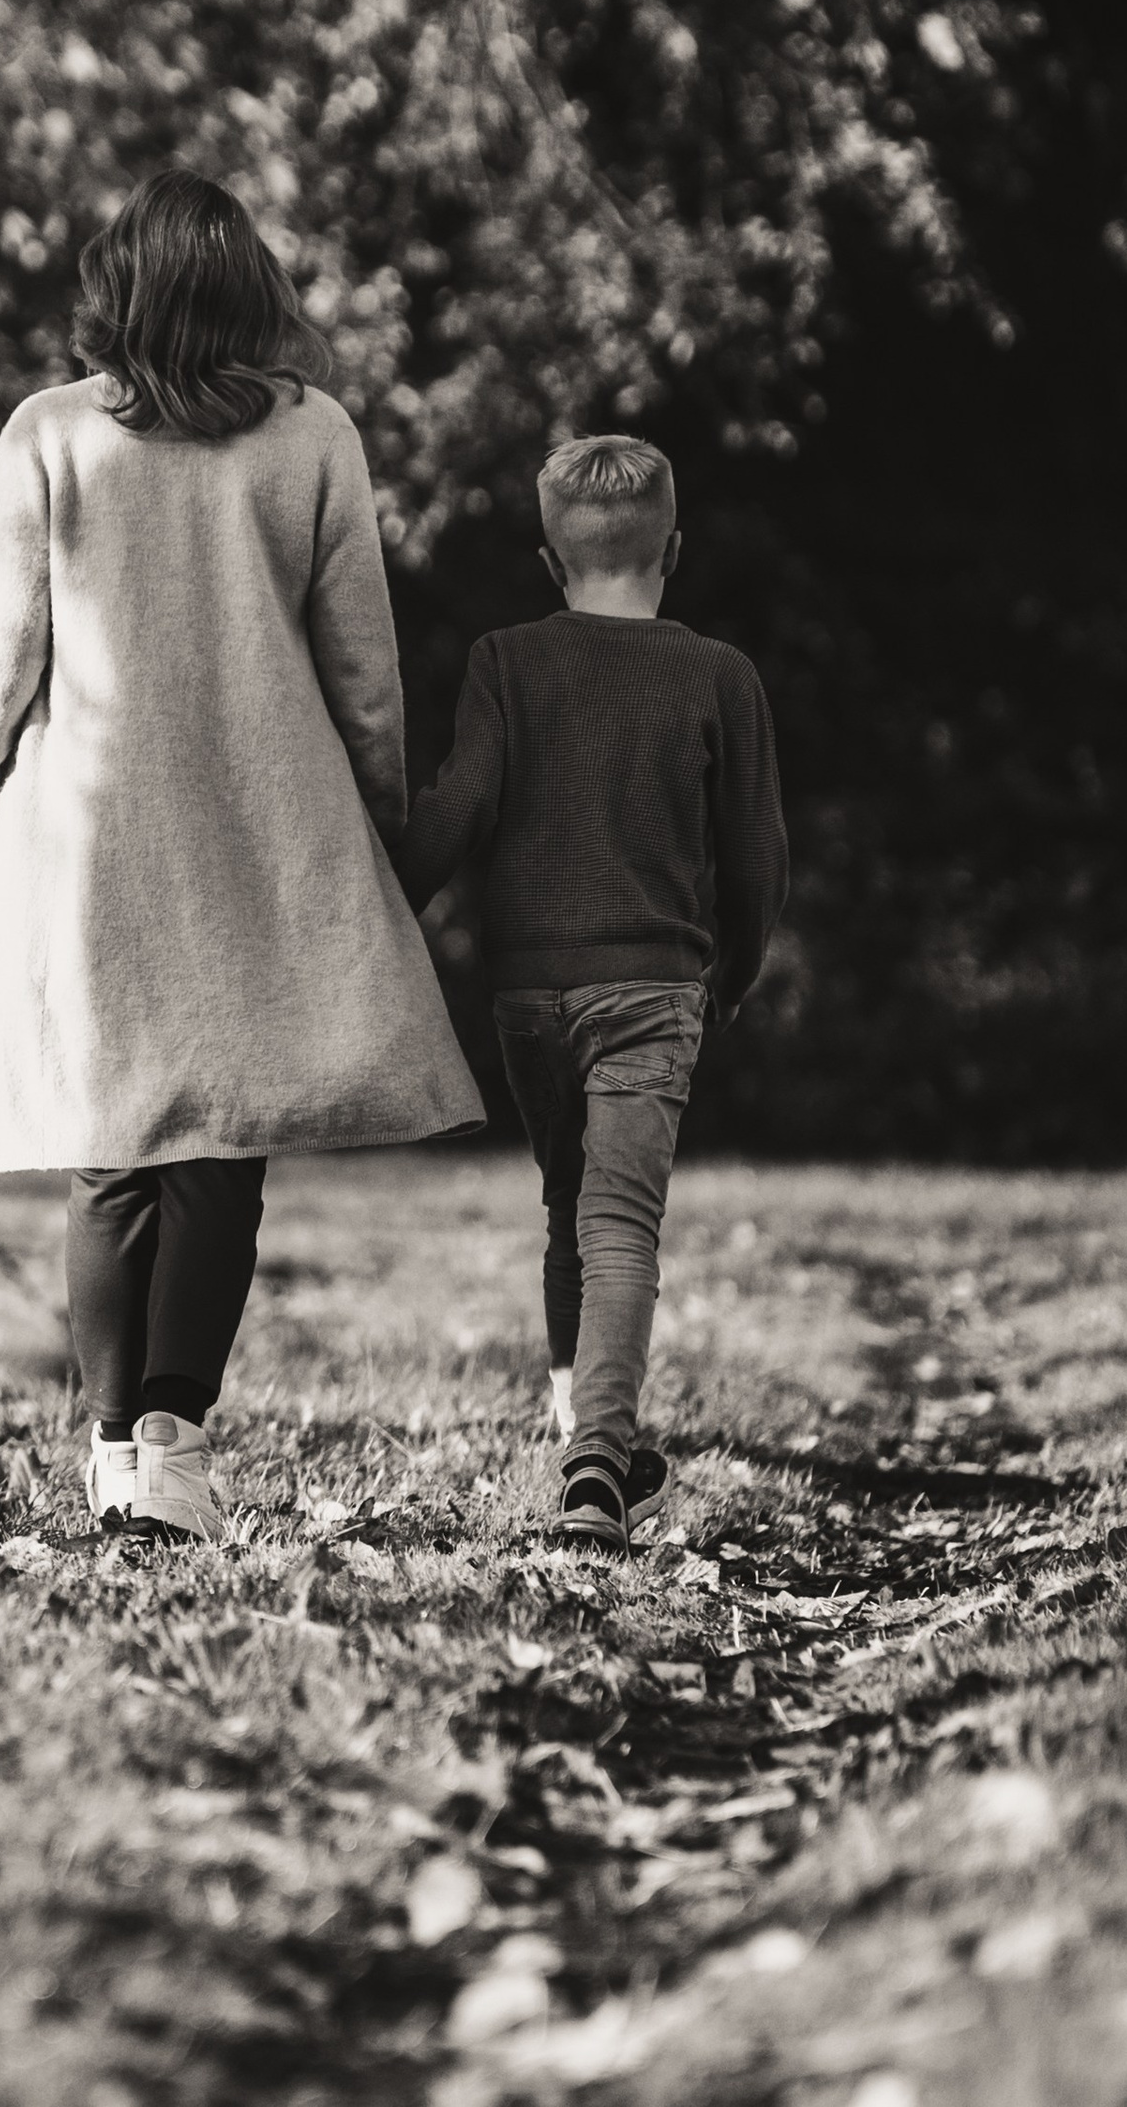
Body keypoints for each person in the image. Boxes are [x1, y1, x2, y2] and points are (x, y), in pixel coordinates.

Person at [0, 169, 484, 1543]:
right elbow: (362, 652)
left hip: (91, 831)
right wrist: (384, 806)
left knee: (109, 1152)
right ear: (251, 293)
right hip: (256, 818)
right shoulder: (313, 436)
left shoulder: (49, 435)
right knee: (224, 1149)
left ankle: (113, 1450)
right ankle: (172, 1438)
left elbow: (2, 640)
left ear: (116, 289)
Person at [396, 434, 788, 1552]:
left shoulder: (504, 660)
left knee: (567, 1201)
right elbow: (754, 856)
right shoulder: (719, 674)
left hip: (528, 992)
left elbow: (459, 808)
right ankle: (598, 1467)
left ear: (544, 555)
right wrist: (737, 971)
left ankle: (581, 1425)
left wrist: (384, 897)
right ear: (674, 547)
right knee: (619, 1223)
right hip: (654, 991)